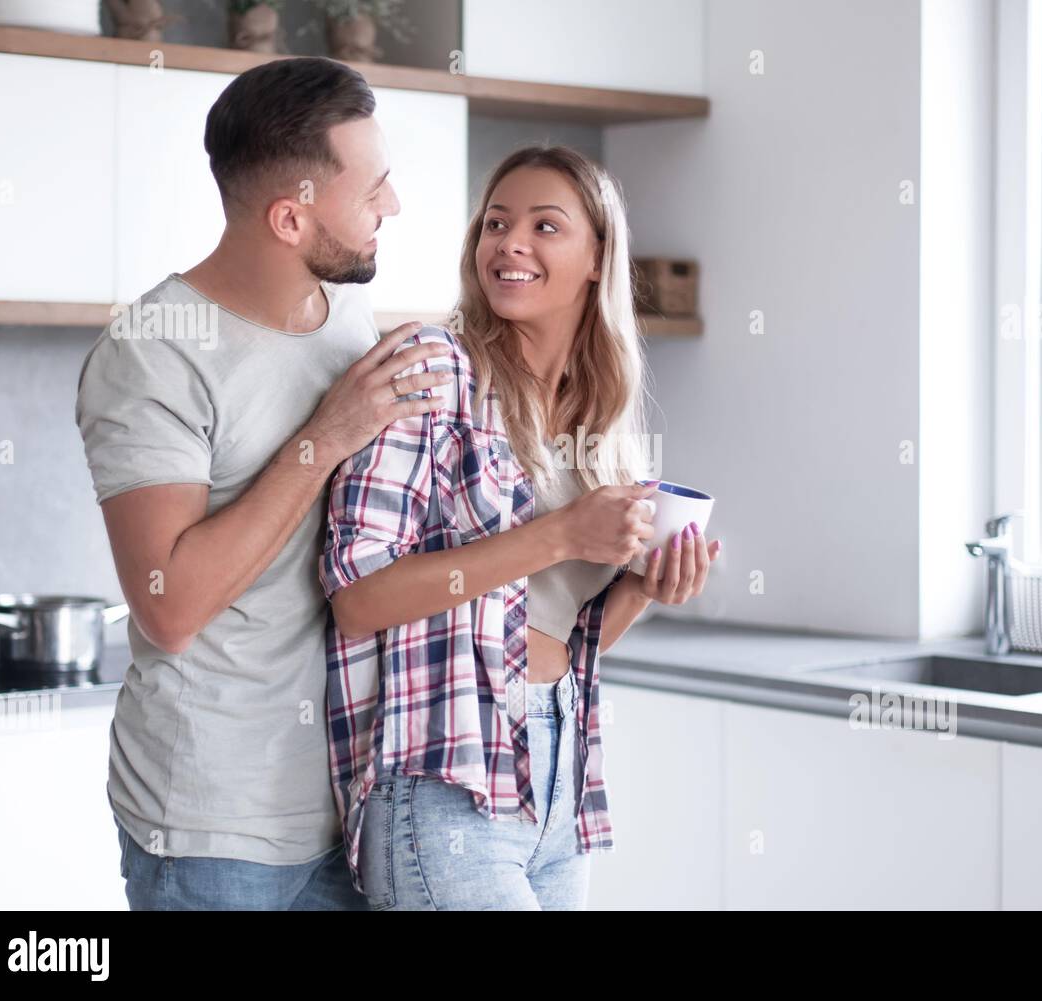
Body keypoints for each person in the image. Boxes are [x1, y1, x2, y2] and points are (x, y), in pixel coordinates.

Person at [75, 56, 455, 910]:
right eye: (374, 189)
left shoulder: (348, 317)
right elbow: (168, 606)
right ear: (291, 217)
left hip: (351, 803)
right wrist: (326, 436)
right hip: (211, 832)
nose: (391, 206)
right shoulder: (153, 354)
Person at [321, 145, 722, 910]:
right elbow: (357, 596)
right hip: (447, 781)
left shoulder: (597, 421)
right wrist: (563, 534)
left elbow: (559, 641)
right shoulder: (434, 371)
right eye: (497, 223)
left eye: (546, 226)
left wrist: (641, 584)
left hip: (558, 776)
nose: (510, 242)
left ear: (599, 257)